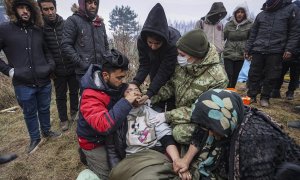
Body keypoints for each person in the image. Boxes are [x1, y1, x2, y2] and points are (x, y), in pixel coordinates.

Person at [173, 89, 300, 179]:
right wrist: (185, 160)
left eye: (212, 128)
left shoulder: (253, 143)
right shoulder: (232, 114)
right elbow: (201, 131)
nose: (209, 133)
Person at [0, 0, 61, 154]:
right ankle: (35, 138)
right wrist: (9, 71)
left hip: (43, 80)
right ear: (14, 10)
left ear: (33, 11)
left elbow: (47, 51)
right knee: (29, 112)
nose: (25, 11)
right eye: (21, 7)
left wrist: (50, 66)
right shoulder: (4, 30)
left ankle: (46, 131)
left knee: (45, 108)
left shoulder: (38, 30)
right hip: (22, 82)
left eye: (28, 8)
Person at [150, 29, 228, 146]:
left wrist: (168, 116)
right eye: (178, 54)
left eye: (182, 55)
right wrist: (151, 97)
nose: (179, 58)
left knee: (179, 133)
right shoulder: (185, 64)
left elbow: (204, 110)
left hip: (204, 119)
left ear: (197, 55)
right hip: (182, 112)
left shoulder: (218, 78)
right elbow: (172, 85)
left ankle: (210, 143)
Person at [76, 49, 140, 179]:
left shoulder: (113, 84)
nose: (122, 81)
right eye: (119, 78)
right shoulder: (89, 95)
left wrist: (135, 98)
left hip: (110, 137)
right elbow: (103, 125)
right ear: (105, 75)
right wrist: (127, 101)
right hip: (94, 141)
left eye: (124, 77)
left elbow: (122, 90)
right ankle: (86, 156)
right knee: (111, 175)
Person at [108, 83, 186, 180]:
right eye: (128, 91)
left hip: (153, 155)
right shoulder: (117, 117)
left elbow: (166, 137)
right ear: (123, 97)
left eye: (136, 90)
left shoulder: (151, 112)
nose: (134, 93)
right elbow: (112, 150)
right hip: (130, 160)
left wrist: (176, 160)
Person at [245, 0, 300, 107]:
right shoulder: (262, 14)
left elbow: (295, 32)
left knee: (272, 75)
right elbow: (253, 33)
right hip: (258, 48)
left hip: (277, 49)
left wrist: (289, 49)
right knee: (253, 73)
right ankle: (251, 95)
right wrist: (248, 48)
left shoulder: (291, 10)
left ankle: (265, 97)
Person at [38, 0, 79, 131]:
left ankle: (74, 112)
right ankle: (63, 119)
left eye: (52, 8)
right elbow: (43, 50)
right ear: (41, 11)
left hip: (72, 66)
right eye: (46, 9)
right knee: (60, 96)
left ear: (55, 8)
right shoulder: (41, 29)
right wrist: (50, 68)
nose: (50, 12)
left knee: (74, 92)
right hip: (57, 70)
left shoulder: (66, 23)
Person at [133, 3, 180, 110]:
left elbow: (164, 71)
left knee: (172, 96)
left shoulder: (173, 43)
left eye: (157, 43)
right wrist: (135, 83)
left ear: (163, 40)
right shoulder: (141, 41)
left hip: (173, 70)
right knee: (155, 95)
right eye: (150, 42)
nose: (153, 47)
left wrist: (149, 92)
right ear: (146, 39)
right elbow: (145, 64)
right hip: (154, 64)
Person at [62, 0, 109, 82]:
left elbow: (106, 46)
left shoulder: (100, 23)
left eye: (95, 3)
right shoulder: (73, 21)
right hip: (84, 73)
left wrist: (107, 63)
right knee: (87, 95)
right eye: (89, 2)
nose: (93, 6)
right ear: (82, 3)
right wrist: (82, 64)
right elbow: (66, 45)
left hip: (101, 71)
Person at [271, 0, 300, 100]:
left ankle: (290, 92)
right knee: (280, 71)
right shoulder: (287, 21)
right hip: (285, 49)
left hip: (297, 53)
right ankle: (276, 90)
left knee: (295, 73)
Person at [223, 2, 253, 88]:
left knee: (236, 75)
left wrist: (249, 51)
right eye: (238, 12)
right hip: (228, 53)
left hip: (241, 54)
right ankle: (227, 90)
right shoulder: (229, 24)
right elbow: (222, 38)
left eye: (242, 12)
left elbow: (251, 39)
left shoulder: (250, 25)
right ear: (235, 13)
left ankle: (232, 90)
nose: (239, 14)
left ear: (245, 14)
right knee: (229, 74)